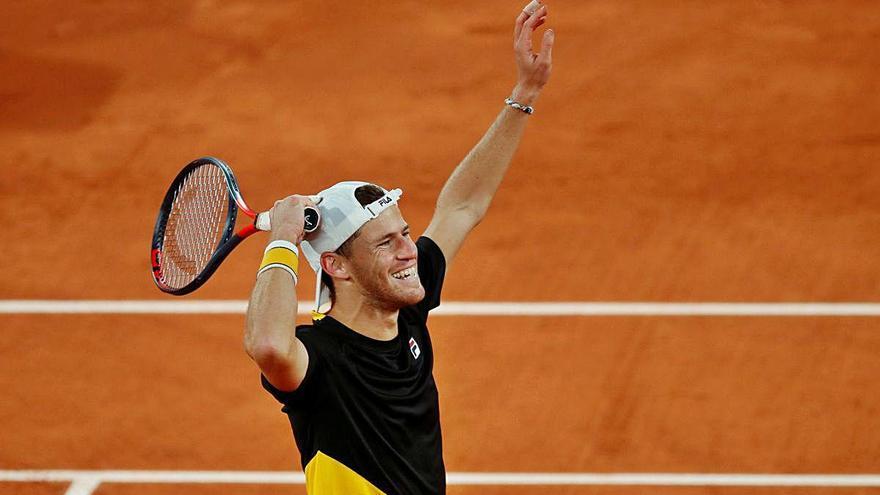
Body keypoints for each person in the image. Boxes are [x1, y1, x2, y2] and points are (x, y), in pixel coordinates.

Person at [244, 3, 554, 494]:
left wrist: (524, 93)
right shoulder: (319, 363)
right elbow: (267, 345)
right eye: (386, 243)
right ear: (336, 266)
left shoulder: (406, 307)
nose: (409, 251)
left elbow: (461, 207)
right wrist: (282, 241)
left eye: (405, 233)